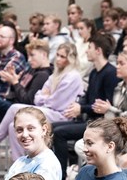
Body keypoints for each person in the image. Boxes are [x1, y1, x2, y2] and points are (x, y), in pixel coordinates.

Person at [0, 41, 83, 158]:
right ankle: (18, 165)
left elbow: (56, 103)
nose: (58, 59)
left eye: (62, 56)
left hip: (61, 115)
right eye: (57, 55)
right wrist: (46, 97)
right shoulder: (55, 75)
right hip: (48, 111)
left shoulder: (72, 76)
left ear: (71, 59)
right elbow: (37, 98)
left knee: (14, 108)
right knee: (12, 126)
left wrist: (46, 97)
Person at [51, 32, 119, 172]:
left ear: (98, 51)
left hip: (100, 124)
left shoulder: (110, 73)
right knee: (52, 127)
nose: (86, 50)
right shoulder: (94, 72)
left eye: (89, 47)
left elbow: (103, 106)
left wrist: (81, 109)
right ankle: (61, 170)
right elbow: (89, 99)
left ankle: (62, 176)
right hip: (89, 119)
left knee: (59, 133)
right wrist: (78, 107)